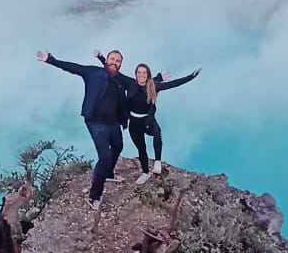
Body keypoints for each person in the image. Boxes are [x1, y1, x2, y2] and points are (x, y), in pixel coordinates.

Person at [36, 48, 137, 210]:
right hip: (96, 123)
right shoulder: (92, 72)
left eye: (118, 61)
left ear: (120, 64)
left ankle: (109, 174)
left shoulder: (120, 80)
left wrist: (158, 79)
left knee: (118, 146)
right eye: (112, 59)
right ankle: (94, 196)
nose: (114, 62)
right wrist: (51, 60)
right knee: (104, 157)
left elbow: (140, 82)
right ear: (107, 60)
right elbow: (72, 67)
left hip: (113, 122)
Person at [97, 51, 200, 183]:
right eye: (139, 73)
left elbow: (174, 84)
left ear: (148, 75)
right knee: (141, 148)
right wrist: (101, 57)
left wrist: (192, 76)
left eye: (144, 73)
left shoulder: (154, 86)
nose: (141, 75)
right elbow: (113, 72)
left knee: (157, 132)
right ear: (136, 75)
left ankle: (157, 162)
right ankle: (145, 172)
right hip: (134, 122)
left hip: (148, 120)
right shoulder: (130, 83)